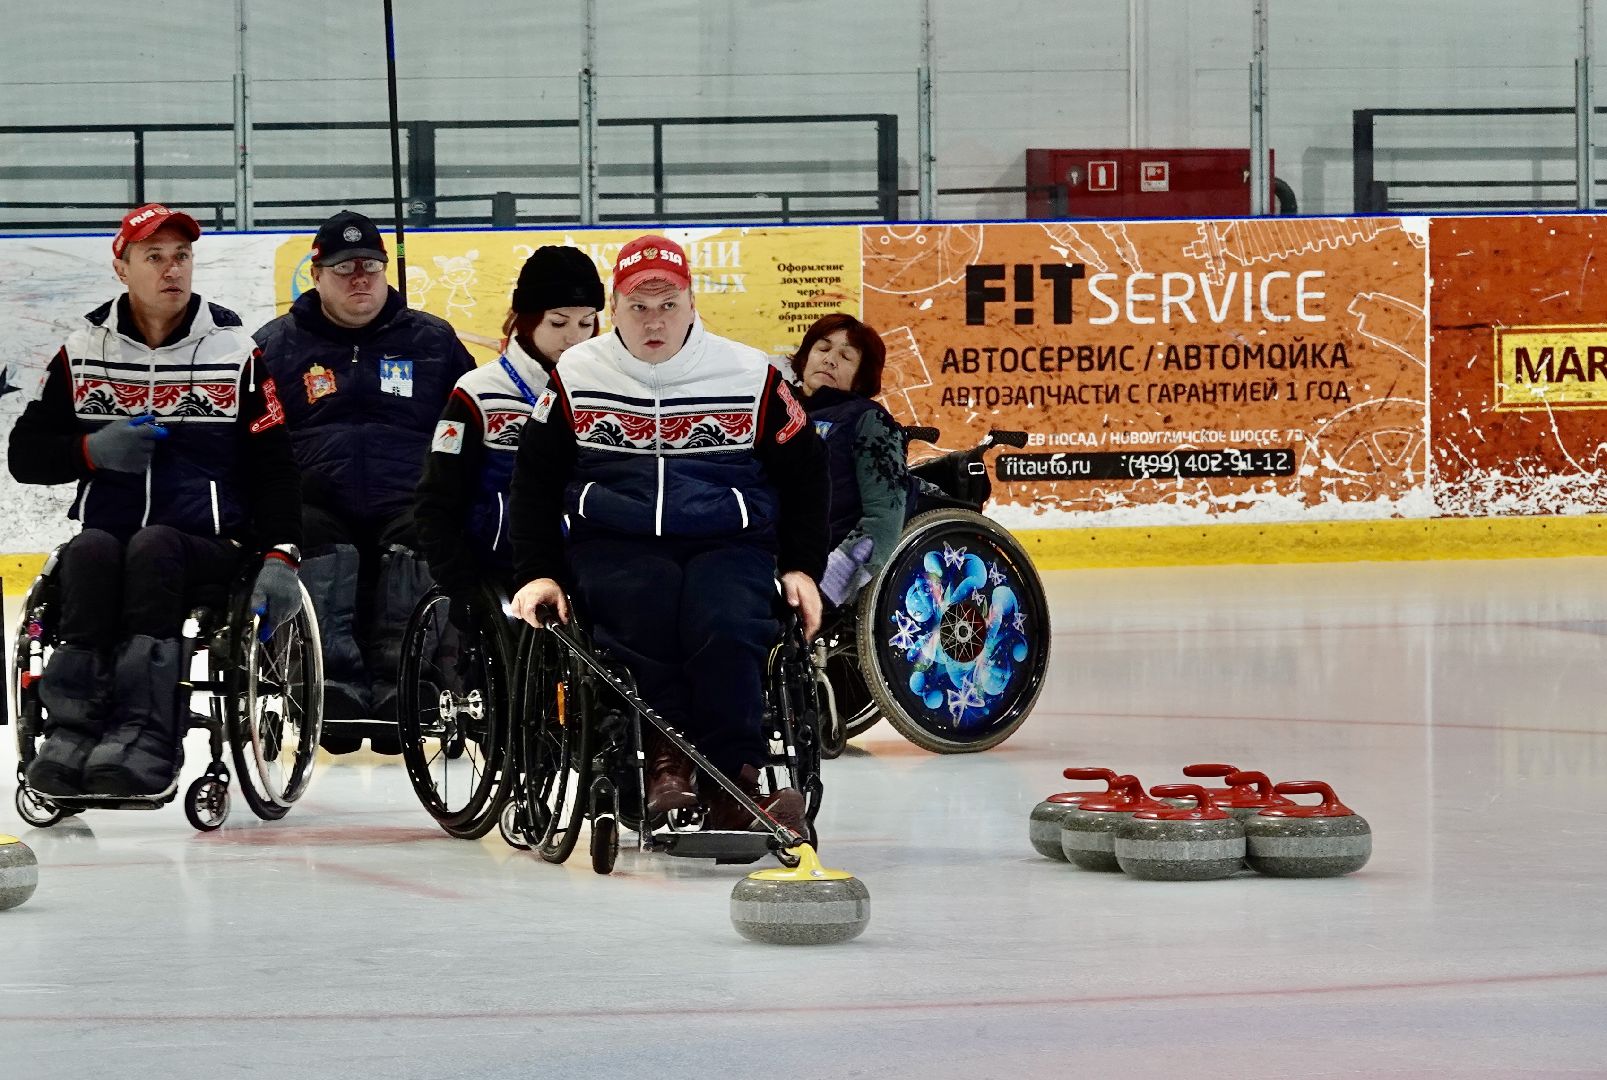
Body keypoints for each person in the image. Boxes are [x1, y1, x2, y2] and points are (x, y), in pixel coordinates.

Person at [508, 234, 827, 834]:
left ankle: (735, 780)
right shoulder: (576, 373)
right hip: (615, 539)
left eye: (668, 304)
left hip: (727, 540)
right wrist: (538, 571)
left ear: (691, 301)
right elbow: (534, 479)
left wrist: (803, 566)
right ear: (615, 307)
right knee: (643, 607)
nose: (654, 321)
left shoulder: (750, 374)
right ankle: (666, 763)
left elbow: (808, 475)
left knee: (727, 622)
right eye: (638, 306)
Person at [7, 203, 304, 798]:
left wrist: (281, 554)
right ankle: (72, 735)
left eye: (182, 256)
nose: (172, 270)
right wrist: (90, 450)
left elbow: (277, 467)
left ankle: (145, 735)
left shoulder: (234, 352)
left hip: (206, 543)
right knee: (89, 552)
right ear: (122, 269)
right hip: (110, 536)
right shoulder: (84, 350)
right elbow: (25, 455)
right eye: (154, 257)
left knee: (154, 545)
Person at [254, 210, 475, 753]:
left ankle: (403, 680)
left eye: (371, 266)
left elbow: (473, 419)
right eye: (344, 267)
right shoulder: (274, 345)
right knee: (307, 534)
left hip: (408, 497)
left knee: (426, 536)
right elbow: (252, 436)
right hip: (315, 498)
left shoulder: (433, 341)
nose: (360, 277)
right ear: (316, 273)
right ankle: (331, 682)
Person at [414, 246, 603, 607]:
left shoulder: (610, 391)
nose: (575, 338)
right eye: (559, 322)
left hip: (592, 560)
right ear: (527, 319)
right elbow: (436, 501)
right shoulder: (479, 393)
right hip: (502, 568)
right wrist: (462, 585)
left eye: (587, 322)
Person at [789, 313, 911, 610]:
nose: (830, 360)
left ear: (860, 377)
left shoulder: (868, 420)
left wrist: (826, 588)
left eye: (845, 356)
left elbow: (883, 520)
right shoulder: (776, 411)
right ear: (805, 358)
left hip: (816, 566)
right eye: (823, 349)